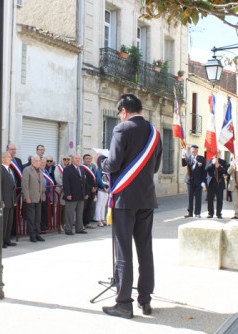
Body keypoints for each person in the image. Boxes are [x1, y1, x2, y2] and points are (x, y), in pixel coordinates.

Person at [98, 94, 162, 318]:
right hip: (146, 199)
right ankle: (145, 299)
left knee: (123, 251)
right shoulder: (155, 133)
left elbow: (113, 163)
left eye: (119, 113)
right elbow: (154, 168)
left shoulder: (121, 129)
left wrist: (100, 162)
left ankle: (124, 302)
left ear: (123, 111)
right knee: (145, 250)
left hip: (124, 200)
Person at [21, 155, 45, 243]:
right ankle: (32, 235)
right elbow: (24, 184)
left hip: (38, 198)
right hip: (30, 198)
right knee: (31, 218)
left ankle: (37, 234)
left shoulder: (40, 171)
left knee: (38, 218)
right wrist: (26, 197)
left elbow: (42, 184)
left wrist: (43, 196)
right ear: (32, 161)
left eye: (39, 160)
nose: (39, 162)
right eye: (37, 160)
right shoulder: (27, 170)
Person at [62, 154, 88, 236]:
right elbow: (66, 183)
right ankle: (68, 229)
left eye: (79, 158)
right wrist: (68, 194)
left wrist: (86, 193)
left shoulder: (81, 169)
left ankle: (79, 228)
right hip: (71, 195)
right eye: (76, 158)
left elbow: (84, 182)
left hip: (81, 195)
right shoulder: (67, 169)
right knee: (70, 214)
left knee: (80, 213)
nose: (78, 160)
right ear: (72, 159)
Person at [181, 144, 206, 218]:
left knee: (198, 198)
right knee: (190, 197)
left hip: (199, 181)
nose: (193, 151)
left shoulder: (201, 158)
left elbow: (204, 171)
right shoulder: (188, 158)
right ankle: (190, 213)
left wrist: (203, 181)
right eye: (192, 150)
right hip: (190, 181)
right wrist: (183, 156)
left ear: (197, 150)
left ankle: (197, 213)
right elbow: (183, 164)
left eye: (194, 150)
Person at [205, 150, 227, 219]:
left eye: (218, 153)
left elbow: (225, 171)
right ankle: (210, 213)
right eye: (215, 153)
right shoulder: (209, 160)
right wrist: (212, 164)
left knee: (219, 199)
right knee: (210, 198)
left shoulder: (223, 162)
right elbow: (206, 169)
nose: (216, 154)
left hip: (219, 182)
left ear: (220, 154)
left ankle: (219, 213)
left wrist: (219, 166)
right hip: (211, 183)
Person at [7, 143, 23, 239]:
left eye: (15, 149)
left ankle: (15, 230)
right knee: (10, 211)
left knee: (17, 211)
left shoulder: (18, 161)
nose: (13, 151)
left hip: (18, 191)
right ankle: (9, 232)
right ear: (7, 150)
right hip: (10, 191)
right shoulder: (6, 161)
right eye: (11, 149)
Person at [0, 151, 16, 248]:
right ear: (2, 158)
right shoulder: (0, 170)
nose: (10, 158)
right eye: (8, 157)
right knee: (3, 222)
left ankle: (7, 239)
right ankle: (1, 241)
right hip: (4, 201)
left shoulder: (10, 170)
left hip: (10, 200)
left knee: (9, 222)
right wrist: (1, 200)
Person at [54, 154, 71, 231]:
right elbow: (57, 178)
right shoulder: (58, 167)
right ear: (61, 159)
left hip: (68, 190)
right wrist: (64, 186)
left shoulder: (70, 168)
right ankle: (59, 224)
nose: (66, 161)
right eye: (64, 159)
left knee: (65, 208)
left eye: (68, 159)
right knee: (60, 208)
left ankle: (64, 223)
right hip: (60, 190)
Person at [82, 153, 97, 228]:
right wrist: (91, 188)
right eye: (86, 159)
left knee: (90, 207)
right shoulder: (82, 167)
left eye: (89, 158)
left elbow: (95, 178)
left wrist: (95, 187)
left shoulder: (93, 167)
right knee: (84, 207)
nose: (88, 160)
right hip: (86, 190)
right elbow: (85, 181)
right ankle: (82, 223)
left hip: (93, 190)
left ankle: (87, 222)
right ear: (84, 160)